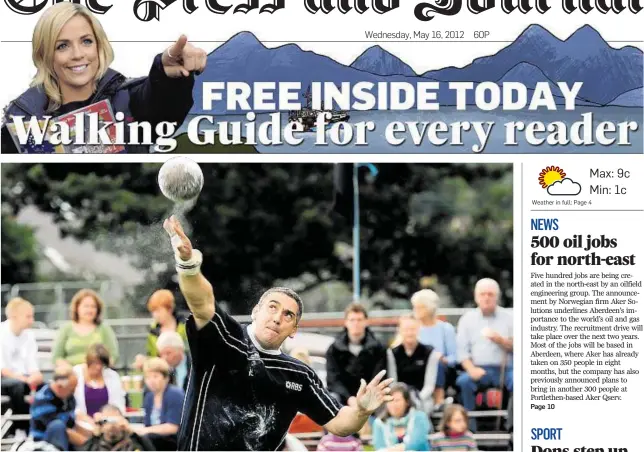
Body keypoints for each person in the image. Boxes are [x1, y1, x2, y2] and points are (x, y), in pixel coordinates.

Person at [162, 215, 394, 451]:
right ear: (255, 311)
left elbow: (340, 423)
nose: (277, 318)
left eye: (288, 315)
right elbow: (201, 302)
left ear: (294, 330)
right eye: (272, 307)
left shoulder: (299, 376)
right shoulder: (225, 338)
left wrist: (362, 410)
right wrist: (188, 262)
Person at [1, 2, 206, 154]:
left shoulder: (129, 99)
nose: (78, 54)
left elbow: (163, 106)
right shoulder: (20, 119)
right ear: (45, 56)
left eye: (87, 41)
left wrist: (167, 76)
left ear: (99, 45)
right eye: (62, 45)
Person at [456, 278, 513, 432]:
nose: (486, 298)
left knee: (519, 381)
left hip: (506, 369)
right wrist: (471, 369)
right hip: (478, 369)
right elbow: (462, 352)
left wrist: (501, 340)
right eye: (483, 294)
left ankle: (512, 427)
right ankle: (470, 429)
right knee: (464, 382)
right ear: (476, 297)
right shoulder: (467, 319)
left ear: (497, 296)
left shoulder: (510, 317)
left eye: (490, 294)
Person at [326, 303, 388, 406]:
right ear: (346, 322)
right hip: (343, 400)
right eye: (352, 320)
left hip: (370, 399)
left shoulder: (378, 349)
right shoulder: (334, 350)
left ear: (366, 322)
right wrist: (349, 399)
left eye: (359, 320)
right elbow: (333, 381)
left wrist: (365, 398)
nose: (356, 323)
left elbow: (379, 377)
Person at [0, 297, 43, 433]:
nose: (32, 320)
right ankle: (22, 428)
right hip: (6, 380)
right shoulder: (1, 333)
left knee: (47, 387)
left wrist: (36, 375)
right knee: (17, 387)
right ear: (14, 316)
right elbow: (3, 370)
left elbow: (32, 364)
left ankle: (41, 426)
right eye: (28, 317)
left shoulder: (29, 335)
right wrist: (25, 379)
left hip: (22, 379)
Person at [386, 315, 441, 414]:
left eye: (413, 329)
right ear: (400, 331)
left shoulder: (430, 352)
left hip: (422, 397)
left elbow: (429, 385)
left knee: (422, 409)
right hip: (399, 397)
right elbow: (392, 382)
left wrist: (416, 399)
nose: (409, 333)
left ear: (419, 329)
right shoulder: (392, 353)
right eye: (406, 329)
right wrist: (402, 400)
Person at [411, 289, 457, 406]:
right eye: (414, 307)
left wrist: (443, 358)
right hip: (418, 367)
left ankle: (439, 400)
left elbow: (454, 358)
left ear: (430, 308)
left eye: (419, 307)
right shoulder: (412, 329)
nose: (415, 310)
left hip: (441, 368)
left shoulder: (446, 329)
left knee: (435, 362)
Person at [52, 288, 120, 367]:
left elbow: (113, 355)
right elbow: (56, 357)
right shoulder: (66, 329)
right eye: (86, 306)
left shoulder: (104, 328)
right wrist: (70, 370)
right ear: (77, 308)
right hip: (72, 375)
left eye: (93, 306)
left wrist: (98, 369)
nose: (89, 310)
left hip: (98, 373)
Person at [30, 363, 88, 451]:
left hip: (65, 441)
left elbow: (73, 422)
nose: (74, 391)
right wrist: (88, 444)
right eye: (72, 388)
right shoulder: (42, 398)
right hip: (43, 443)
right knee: (58, 426)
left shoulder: (69, 398)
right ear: (59, 386)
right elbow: (63, 428)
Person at [135, 357, 184, 451]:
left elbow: (172, 427)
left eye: (155, 376)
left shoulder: (175, 394)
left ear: (166, 378)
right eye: (148, 377)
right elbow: (147, 425)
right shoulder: (149, 397)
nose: (151, 381)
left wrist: (145, 431)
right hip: (154, 442)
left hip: (172, 443)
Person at [133, 289, 188, 369]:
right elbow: (153, 356)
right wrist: (145, 361)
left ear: (169, 309)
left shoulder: (185, 326)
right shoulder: (152, 332)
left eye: (158, 311)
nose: (155, 315)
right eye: (153, 312)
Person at [73, 344, 126, 423]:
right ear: (88, 361)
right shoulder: (76, 373)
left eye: (101, 364)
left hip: (107, 423)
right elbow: (72, 407)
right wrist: (89, 421)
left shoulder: (112, 376)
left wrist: (105, 417)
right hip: (82, 423)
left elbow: (119, 405)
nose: (98, 367)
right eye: (95, 363)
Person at [371, 383, 431, 451]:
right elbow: (379, 448)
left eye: (397, 400)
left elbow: (415, 444)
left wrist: (391, 450)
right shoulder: (379, 423)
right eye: (390, 401)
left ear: (407, 402)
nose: (393, 404)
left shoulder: (419, 417)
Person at [80, 404, 155, 451]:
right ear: (102, 423)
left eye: (115, 419)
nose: (112, 425)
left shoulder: (132, 441)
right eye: (107, 420)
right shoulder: (95, 443)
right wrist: (95, 435)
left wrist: (132, 432)